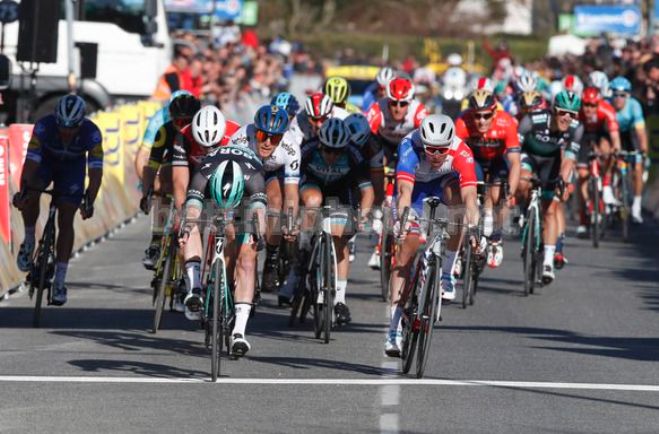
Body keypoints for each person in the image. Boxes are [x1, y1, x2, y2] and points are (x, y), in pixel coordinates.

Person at [384, 114, 479, 357]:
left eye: (442, 150)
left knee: (458, 206)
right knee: (409, 246)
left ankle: (446, 272)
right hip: (414, 191)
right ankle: (393, 328)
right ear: (423, 144)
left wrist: (475, 228)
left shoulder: (461, 151)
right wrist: (403, 223)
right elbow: (404, 192)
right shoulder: (409, 146)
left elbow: (470, 196)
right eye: (431, 150)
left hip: (443, 185)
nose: (437, 155)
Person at [13, 95, 103, 305]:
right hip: (45, 163)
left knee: (66, 217)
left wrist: (89, 200)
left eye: (71, 128)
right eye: (62, 126)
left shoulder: (93, 134)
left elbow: (96, 172)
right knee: (32, 192)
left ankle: (60, 281)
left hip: (72, 170)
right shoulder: (44, 127)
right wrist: (24, 191)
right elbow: (31, 164)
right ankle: (28, 241)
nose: (65, 132)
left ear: (81, 124)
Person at [180, 144, 266, 356]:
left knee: (247, 258)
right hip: (212, 198)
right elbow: (192, 208)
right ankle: (195, 288)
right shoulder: (204, 173)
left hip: (244, 205)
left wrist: (259, 235)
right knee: (189, 227)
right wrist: (187, 226)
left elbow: (260, 215)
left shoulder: (254, 177)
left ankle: (239, 331)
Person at [296, 118, 374, 324]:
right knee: (314, 201)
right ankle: (304, 248)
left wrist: (361, 217)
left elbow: (367, 192)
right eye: (328, 150)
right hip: (312, 185)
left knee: (339, 239)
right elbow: (291, 182)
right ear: (320, 144)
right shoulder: (308, 149)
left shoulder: (354, 155)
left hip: (340, 193)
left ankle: (340, 299)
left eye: (338, 151)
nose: (332, 155)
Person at [228, 105, 297, 294]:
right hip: (244, 173)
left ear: (282, 137)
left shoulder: (290, 148)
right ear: (255, 131)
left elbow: (291, 193)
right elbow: (229, 178)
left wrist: (289, 222)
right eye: (262, 136)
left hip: (271, 175)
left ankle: (272, 258)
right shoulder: (240, 138)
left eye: (274, 138)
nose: (267, 142)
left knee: (275, 199)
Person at [517, 91, 582, 284]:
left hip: (550, 163)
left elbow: (569, 159)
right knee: (522, 180)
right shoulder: (533, 119)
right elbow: (515, 149)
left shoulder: (576, 129)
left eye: (572, 114)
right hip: (529, 155)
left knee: (550, 210)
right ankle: (522, 211)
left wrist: (563, 179)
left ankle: (547, 261)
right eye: (563, 112)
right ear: (553, 110)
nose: (567, 117)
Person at [455, 88, 520, 268]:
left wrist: (511, 193)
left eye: (486, 116)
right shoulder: (462, 121)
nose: (481, 121)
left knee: (502, 194)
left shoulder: (506, 122)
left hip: (497, 160)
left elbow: (515, 162)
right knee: (468, 194)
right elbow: (454, 155)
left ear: (494, 112)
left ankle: (496, 239)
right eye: (477, 116)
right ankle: (459, 250)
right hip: (473, 159)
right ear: (471, 114)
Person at [576, 86, 621, 238]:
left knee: (609, 150)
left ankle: (606, 183)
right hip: (583, 136)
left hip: (601, 134)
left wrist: (616, 149)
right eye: (586, 104)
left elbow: (615, 137)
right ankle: (585, 212)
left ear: (598, 104)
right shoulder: (577, 112)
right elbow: (571, 136)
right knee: (582, 175)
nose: (588, 109)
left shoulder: (606, 110)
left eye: (593, 105)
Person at [609, 76, 648, 224]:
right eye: (615, 94)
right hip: (611, 134)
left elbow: (641, 132)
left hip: (629, 135)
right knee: (610, 157)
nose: (618, 98)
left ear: (628, 96)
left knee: (637, 168)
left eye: (622, 95)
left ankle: (636, 206)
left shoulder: (634, 106)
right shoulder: (607, 105)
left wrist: (643, 150)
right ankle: (609, 189)